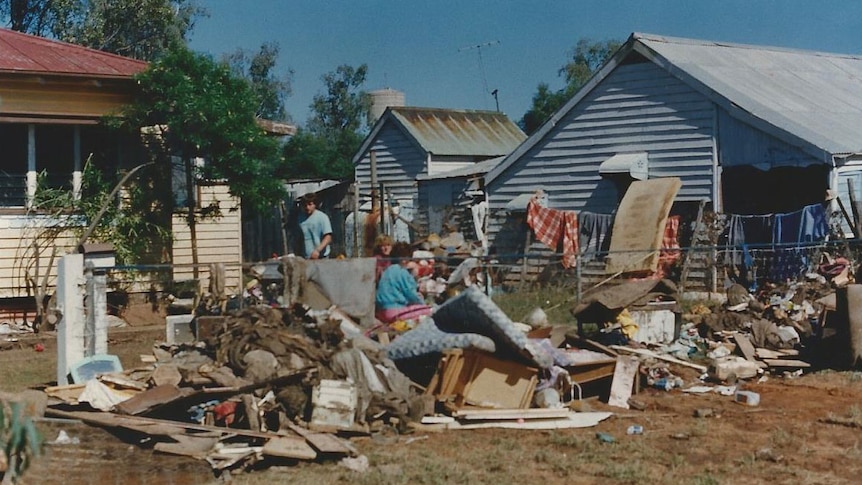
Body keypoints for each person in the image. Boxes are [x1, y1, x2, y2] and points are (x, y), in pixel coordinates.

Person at [375, 242, 432, 323]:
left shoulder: (388, 270)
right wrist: (423, 304)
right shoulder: (401, 271)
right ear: (405, 259)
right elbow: (410, 293)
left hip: (382, 310)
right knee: (429, 311)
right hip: (395, 311)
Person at [298, 192, 332, 259]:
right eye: (305, 205)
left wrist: (317, 250)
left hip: (321, 257)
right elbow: (299, 238)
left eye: (310, 204)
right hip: (306, 257)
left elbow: (328, 238)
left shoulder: (322, 217)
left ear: (315, 205)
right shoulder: (300, 219)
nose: (307, 207)